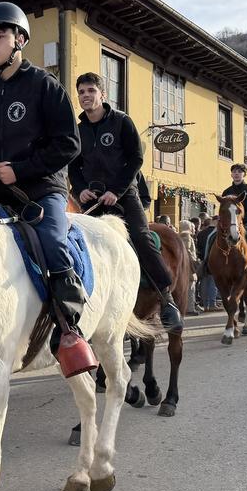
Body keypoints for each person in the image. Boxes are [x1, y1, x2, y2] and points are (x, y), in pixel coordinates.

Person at [0, 1, 90, 360]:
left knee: (51, 239)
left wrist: (22, 168)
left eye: (0, 36)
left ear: (19, 41)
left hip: (42, 188)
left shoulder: (45, 86)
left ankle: (69, 329)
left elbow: (69, 144)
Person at [69, 71, 181, 331]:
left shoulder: (122, 122)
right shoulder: (78, 130)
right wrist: (81, 189)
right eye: (81, 92)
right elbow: (74, 165)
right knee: (81, 243)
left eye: (90, 91)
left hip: (124, 194)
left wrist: (117, 191)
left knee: (141, 237)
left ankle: (166, 297)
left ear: (102, 94)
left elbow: (136, 160)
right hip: (93, 199)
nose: (86, 96)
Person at [178, 219, 200, 315]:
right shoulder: (187, 237)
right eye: (192, 227)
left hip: (183, 265)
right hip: (188, 265)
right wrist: (195, 261)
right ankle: (190, 308)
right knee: (190, 287)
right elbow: (187, 250)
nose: (194, 229)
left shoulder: (179, 236)